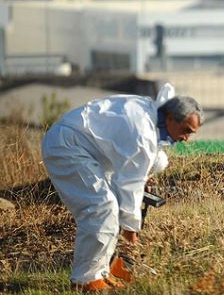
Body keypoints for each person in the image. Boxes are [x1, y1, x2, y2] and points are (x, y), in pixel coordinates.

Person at [41, 83, 203, 292]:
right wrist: (131, 230)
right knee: (102, 207)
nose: (186, 138)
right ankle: (85, 280)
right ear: (171, 118)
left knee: (159, 162)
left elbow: (140, 168)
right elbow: (129, 186)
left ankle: (102, 272)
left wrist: (142, 176)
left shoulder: (153, 118)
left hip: (91, 150)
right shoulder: (143, 134)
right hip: (68, 146)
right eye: (186, 131)